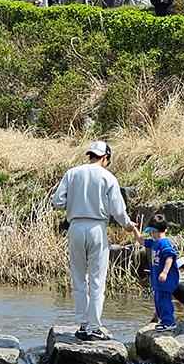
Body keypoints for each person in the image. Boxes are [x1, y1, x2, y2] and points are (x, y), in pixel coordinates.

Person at [51, 141, 143, 341]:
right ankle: (93, 326)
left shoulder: (72, 173)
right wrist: (127, 225)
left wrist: (74, 204)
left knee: (79, 278)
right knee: (97, 279)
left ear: (91, 155)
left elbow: (57, 202)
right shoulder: (107, 176)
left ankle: (83, 325)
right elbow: (118, 209)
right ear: (106, 158)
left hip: (75, 228)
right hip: (97, 229)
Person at [144, 214, 179, 331]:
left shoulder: (164, 243)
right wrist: (134, 230)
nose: (150, 234)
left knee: (164, 301)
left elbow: (170, 257)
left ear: (155, 231)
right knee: (158, 301)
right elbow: (141, 241)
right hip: (158, 281)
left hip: (165, 280)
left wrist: (164, 272)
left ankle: (169, 322)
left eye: (151, 232)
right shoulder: (154, 242)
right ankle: (164, 320)